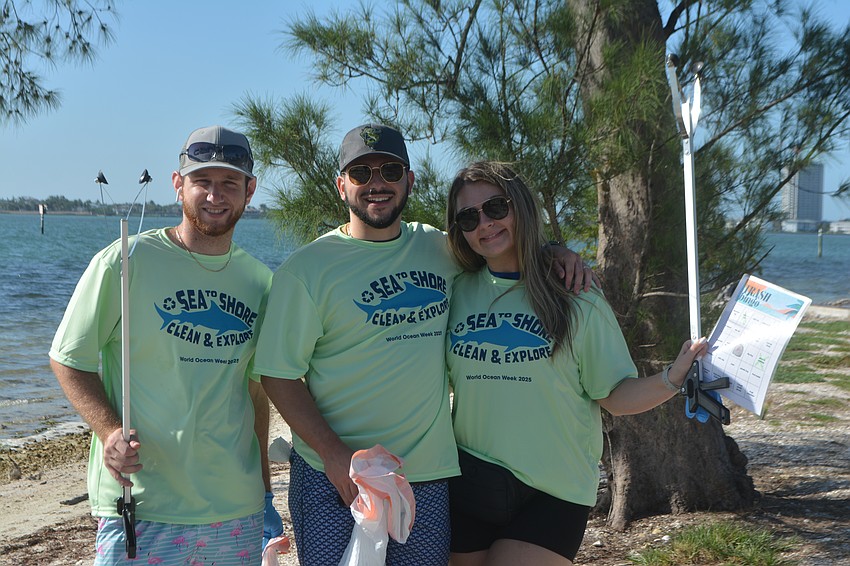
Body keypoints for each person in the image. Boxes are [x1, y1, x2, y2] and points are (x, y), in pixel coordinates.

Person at [254, 124, 593, 566]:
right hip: (331, 474)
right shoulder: (307, 270)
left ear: (409, 181)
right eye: (361, 174)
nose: (377, 183)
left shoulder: (443, 249)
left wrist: (552, 251)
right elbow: (278, 374)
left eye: (390, 170)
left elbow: (501, 248)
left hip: (425, 477)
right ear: (342, 187)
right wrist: (335, 456)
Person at [443, 161, 709, 566]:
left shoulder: (576, 296)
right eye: (468, 216)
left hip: (556, 490)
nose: (485, 223)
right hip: (473, 480)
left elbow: (616, 396)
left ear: (521, 209)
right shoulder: (454, 291)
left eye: (497, 208)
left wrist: (673, 377)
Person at [49, 125, 282, 565]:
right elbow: (69, 359)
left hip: (235, 510)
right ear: (178, 185)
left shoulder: (261, 283)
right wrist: (109, 431)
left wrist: (266, 492)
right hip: (140, 504)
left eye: (229, 183)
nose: (215, 195)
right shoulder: (124, 261)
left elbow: (255, 394)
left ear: (249, 191)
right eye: (202, 182)